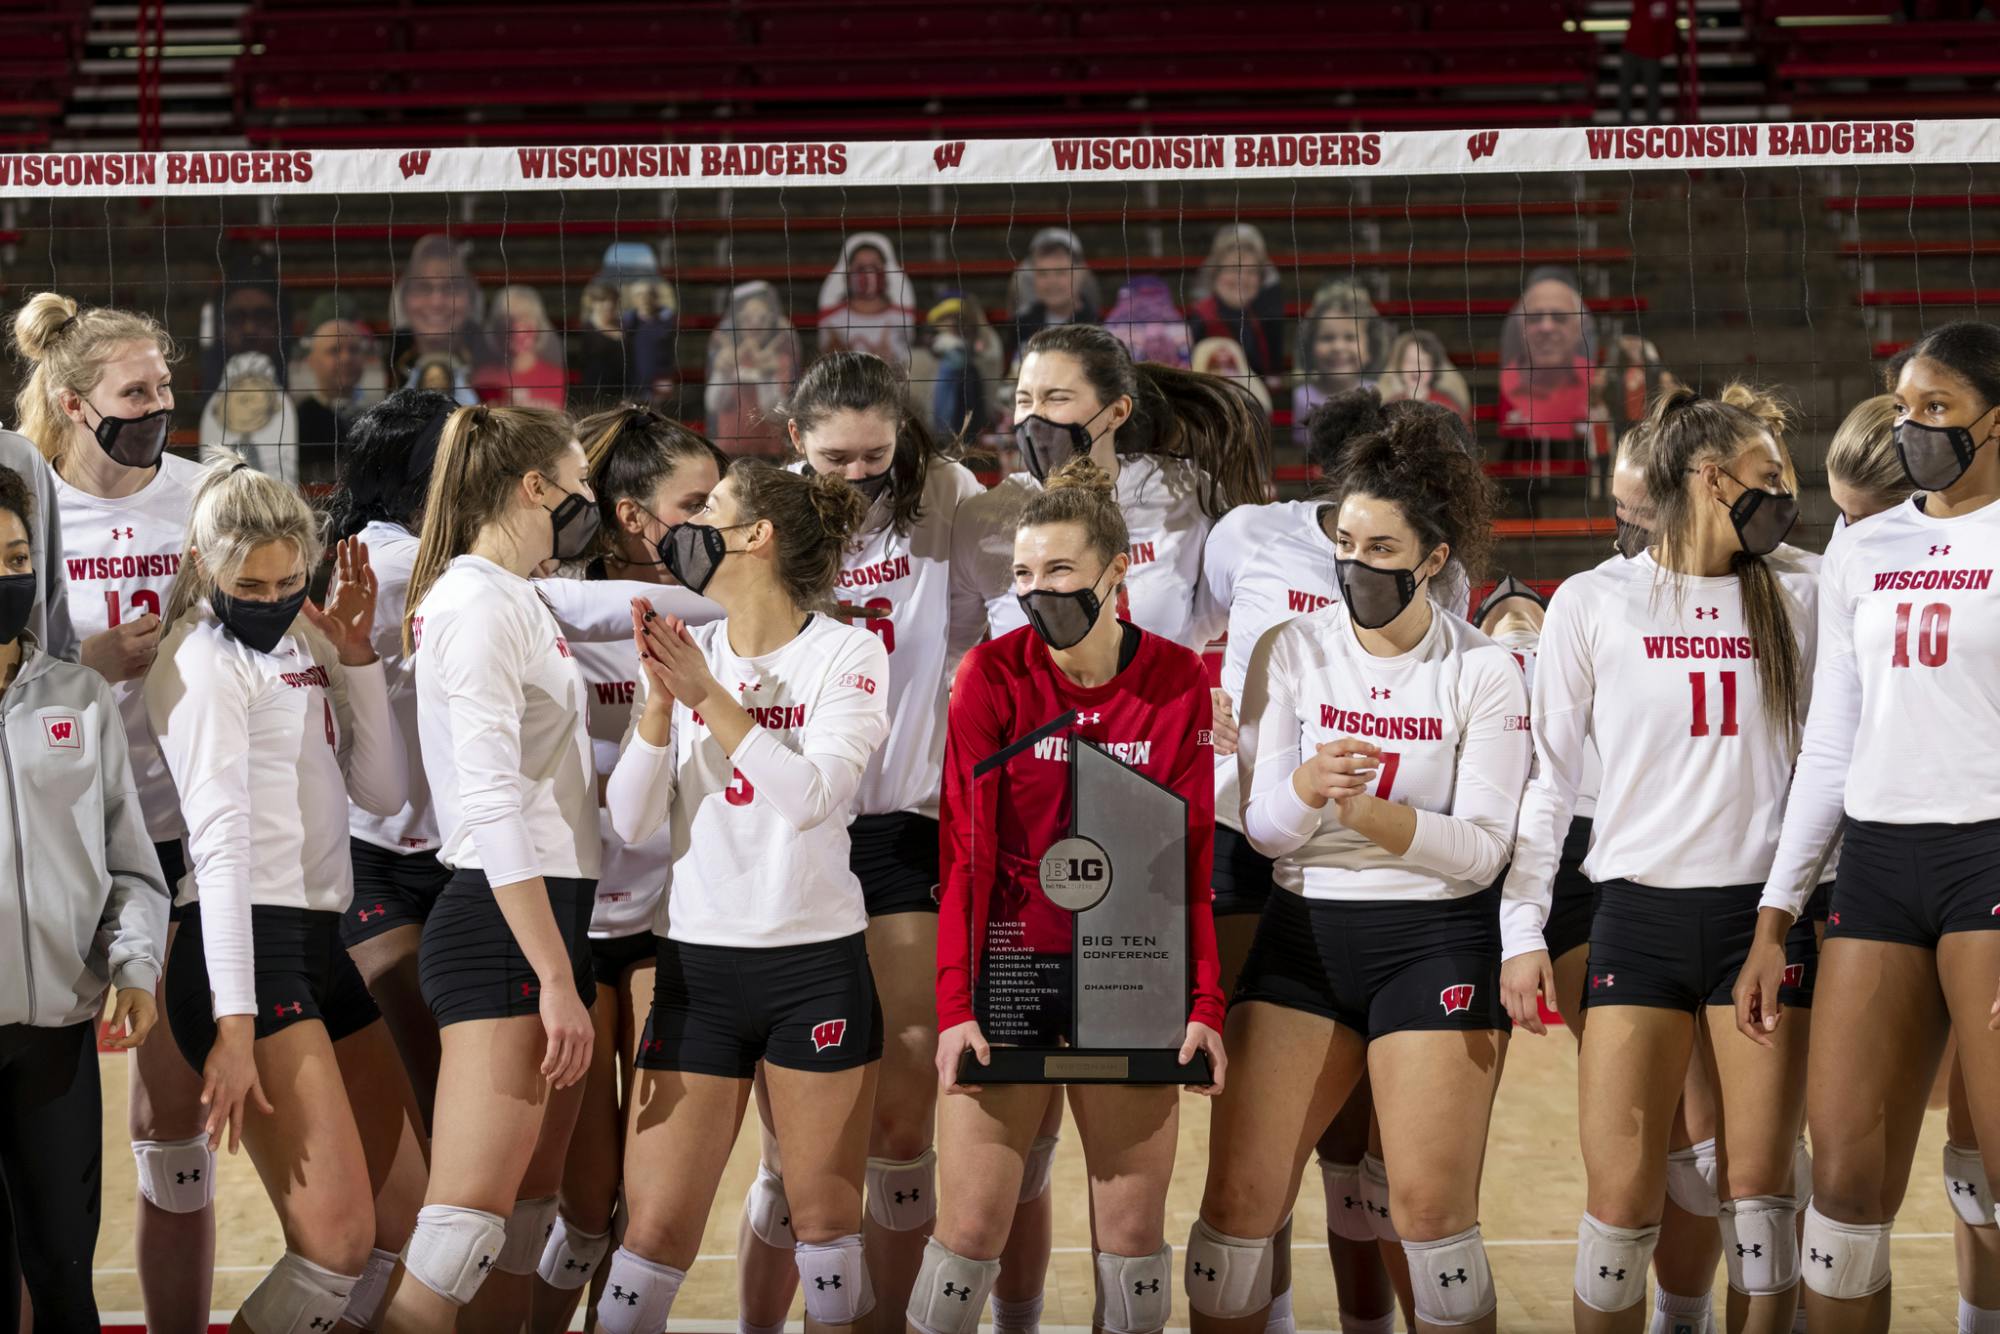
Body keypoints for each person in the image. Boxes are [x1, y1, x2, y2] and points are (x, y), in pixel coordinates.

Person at [1190, 409, 1528, 1334]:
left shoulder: (1484, 669)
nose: (1355, 566)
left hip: (1434, 941)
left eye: (1382, 548)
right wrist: (1302, 787)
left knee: (1429, 1226)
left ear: (1432, 560)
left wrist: (1374, 815)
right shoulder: (1291, 650)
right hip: (1305, 933)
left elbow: (1483, 851)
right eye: (1345, 543)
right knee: (1230, 1233)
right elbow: (1262, 831)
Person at [1499, 387, 1818, 1334]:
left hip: (1758, 924)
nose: (1783, 496)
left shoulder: (1806, 587)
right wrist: (1521, 931)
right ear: (1712, 481)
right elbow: (1549, 785)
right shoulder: (1593, 601)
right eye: (1767, 479)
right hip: (1634, 918)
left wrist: (1784, 914)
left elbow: (1828, 766)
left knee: (1761, 1199)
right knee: (1618, 1211)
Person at [921, 455, 1225, 1334]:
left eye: (1058, 571)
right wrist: (954, 1007)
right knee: (967, 1237)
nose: (1036, 589)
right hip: (1013, 966)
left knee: (1132, 1250)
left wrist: (1204, 1002)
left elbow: (1189, 862)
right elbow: (966, 856)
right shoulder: (992, 675)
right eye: (1022, 574)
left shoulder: (1173, 680)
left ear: (1116, 569)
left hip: (1131, 970)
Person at [1736, 323, 2000, 1334]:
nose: (1912, 426)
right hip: (1880, 864)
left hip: (1988, 847)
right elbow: (1830, 739)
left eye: (1934, 408)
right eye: (1901, 406)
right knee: (1841, 1185)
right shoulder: (1866, 542)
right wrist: (1774, 912)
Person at [723, 352, 984, 1328]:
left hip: (898, 826)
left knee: (900, 1103)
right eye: (836, 458)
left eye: (877, 453)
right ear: (795, 442)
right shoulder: (756, 509)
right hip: (787, 826)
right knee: (792, 1140)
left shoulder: (941, 492)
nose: (860, 473)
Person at [597, 460, 889, 1333]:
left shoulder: (847, 650)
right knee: (646, 1240)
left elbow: (810, 799)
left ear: (754, 536)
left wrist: (706, 697)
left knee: (830, 1240)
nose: (684, 528)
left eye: (708, 510)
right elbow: (632, 821)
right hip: (697, 969)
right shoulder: (694, 655)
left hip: (815, 968)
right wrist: (658, 707)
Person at [147, 459, 421, 1334]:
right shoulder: (200, 663)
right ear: (204, 564)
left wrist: (356, 659)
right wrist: (233, 1024)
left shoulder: (301, 647)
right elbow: (220, 848)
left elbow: (381, 793)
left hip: (317, 942)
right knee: (335, 1245)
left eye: (286, 580)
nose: (269, 598)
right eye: (248, 583)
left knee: (404, 1229)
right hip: (242, 956)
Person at [9, 290, 217, 1332]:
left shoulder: (199, 493)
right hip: (51, 845)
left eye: (167, 387)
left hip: (175, 829)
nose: (160, 407)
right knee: (31, 1155)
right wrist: (79, 666)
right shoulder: (28, 505)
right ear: (72, 399)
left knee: (174, 1132)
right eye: (136, 391)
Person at [373, 404, 603, 1334]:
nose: (593, 502)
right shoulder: (471, 603)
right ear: (533, 488)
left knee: (522, 1221)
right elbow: (492, 806)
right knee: (461, 1231)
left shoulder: (514, 597)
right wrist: (553, 975)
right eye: (580, 485)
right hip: (507, 928)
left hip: (547, 922)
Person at [527, 404, 725, 1334]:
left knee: (649, 1213)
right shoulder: (538, 599)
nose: (718, 515)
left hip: (668, 920)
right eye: (700, 501)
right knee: (582, 1204)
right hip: (563, 923)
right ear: (636, 517)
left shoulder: (724, 609)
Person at [0, 460, 169, 1334]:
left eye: (18, 556)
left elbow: (132, 868)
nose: (8, 577)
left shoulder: (80, 696)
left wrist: (135, 966)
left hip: (58, 1039)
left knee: (66, 1279)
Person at [954, 320, 1268, 653]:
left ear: (1116, 412)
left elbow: (1211, 622)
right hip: (1035, 706)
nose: (1034, 418)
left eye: (1056, 398)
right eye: (1024, 400)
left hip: (1158, 700)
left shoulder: (1185, 492)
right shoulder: (985, 516)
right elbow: (953, 653)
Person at [328, 388, 461, 1125]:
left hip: (435, 847)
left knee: (440, 1079)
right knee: (435, 1077)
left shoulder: (389, 549)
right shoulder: (406, 561)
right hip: (382, 851)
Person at [1498, 268, 1605, 459]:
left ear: (1578, 328)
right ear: (1521, 327)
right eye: (1535, 318)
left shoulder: (1589, 379)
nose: (1546, 327)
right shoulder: (1509, 381)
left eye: (1559, 318)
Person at [388, 234, 492, 405]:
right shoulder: (389, 370)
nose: (437, 303)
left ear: (472, 299)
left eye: (451, 288)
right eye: (423, 288)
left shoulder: (493, 373)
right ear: (403, 299)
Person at [706, 280, 802, 458]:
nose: (754, 324)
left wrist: (767, 376)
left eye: (762, 318)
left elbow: (776, 415)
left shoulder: (780, 360)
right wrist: (722, 373)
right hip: (730, 451)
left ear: (771, 321)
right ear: (737, 321)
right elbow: (714, 404)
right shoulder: (726, 356)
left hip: (771, 453)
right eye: (747, 318)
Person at [1186, 224, 1288, 379]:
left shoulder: (1257, 317)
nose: (1242, 279)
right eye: (1233, 269)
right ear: (1215, 274)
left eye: (1252, 272)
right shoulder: (1201, 318)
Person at [1293, 282, 1386, 442]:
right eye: (1327, 338)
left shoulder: (1380, 394)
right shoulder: (1300, 398)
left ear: (1370, 348)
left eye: (1350, 337)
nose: (1338, 347)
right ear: (1309, 347)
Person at [818, 233, 920, 368]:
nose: (868, 274)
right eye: (860, 268)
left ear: (885, 272)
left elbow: (906, 359)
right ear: (847, 275)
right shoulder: (832, 319)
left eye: (874, 267)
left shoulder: (901, 316)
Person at [1008, 227, 1101, 356]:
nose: (1051, 282)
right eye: (1042, 273)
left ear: (1081, 274)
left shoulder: (1096, 326)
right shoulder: (1022, 325)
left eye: (1061, 272)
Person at [293, 317, 381, 453]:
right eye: (334, 350)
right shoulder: (298, 419)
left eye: (354, 350)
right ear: (312, 362)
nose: (347, 358)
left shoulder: (378, 417)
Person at [478, 286, 568, 410]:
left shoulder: (560, 379)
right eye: (506, 319)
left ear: (538, 324)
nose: (517, 327)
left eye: (525, 317)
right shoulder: (482, 379)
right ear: (496, 328)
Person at [1378, 331, 1471, 425]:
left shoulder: (1448, 406)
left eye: (1424, 362)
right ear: (1400, 365)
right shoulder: (1389, 407)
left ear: (1434, 368)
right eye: (1409, 360)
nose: (1416, 367)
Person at [1102, 276, 1193, 370]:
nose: (1147, 304)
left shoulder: (1179, 327)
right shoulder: (1114, 329)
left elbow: (1187, 365)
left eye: (1154, 297)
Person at [1192, 338, 1274, 416]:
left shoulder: (1254, 408)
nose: (1223, 373)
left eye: (1229, 366)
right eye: (1216, 367)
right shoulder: (1193, 407)